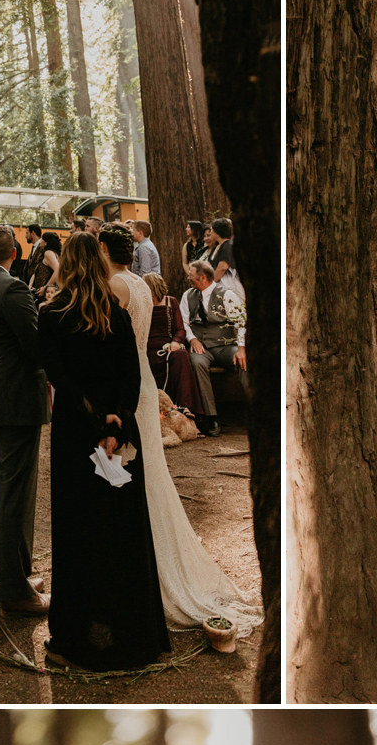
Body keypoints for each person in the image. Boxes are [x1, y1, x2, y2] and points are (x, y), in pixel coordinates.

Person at [97, 223, 261, 638]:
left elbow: (108, 341)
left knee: (132, 470)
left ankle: (140, 564)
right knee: (149, 469)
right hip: (143, 380)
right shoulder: (137, 282)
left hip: (126, 382)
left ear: (102, 248)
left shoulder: (114, 284)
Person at [35, 229, 170, 670]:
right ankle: (132, 633)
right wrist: (115, 422)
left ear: (67, 266)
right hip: (120, 433)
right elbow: (130, 377)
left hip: (77, 434)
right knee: (123, 529)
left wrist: (94, 420)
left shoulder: (52, 315)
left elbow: (59, 377)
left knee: (78, 531)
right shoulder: (115, 313)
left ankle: (75, 639)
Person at [0, 224, 51, 617]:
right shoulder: (12, 289)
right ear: (13, 253)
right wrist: (44, 311)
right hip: (17, 401)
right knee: (16, 493)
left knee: (1, 490)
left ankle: (10, 574)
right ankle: (15, 591)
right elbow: (35, 346)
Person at [181, 260, 242, 435]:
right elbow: (184, 322)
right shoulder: (188, 295)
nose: (188, 277)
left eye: (191, 275)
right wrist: (192, 339)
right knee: (196, 363)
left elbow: (241, 321)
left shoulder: (227, 294)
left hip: (225, 346)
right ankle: (211, 417)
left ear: (203, 277)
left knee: (243, 363)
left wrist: (242, 348)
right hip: (202, 347)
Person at [145, 270, 206, 423]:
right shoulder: (142, 304)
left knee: (182, 355)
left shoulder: (171, 301)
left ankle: (185, 407)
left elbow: (180, 329)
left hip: (168, 346)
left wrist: (176, 341)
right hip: (147, 347)